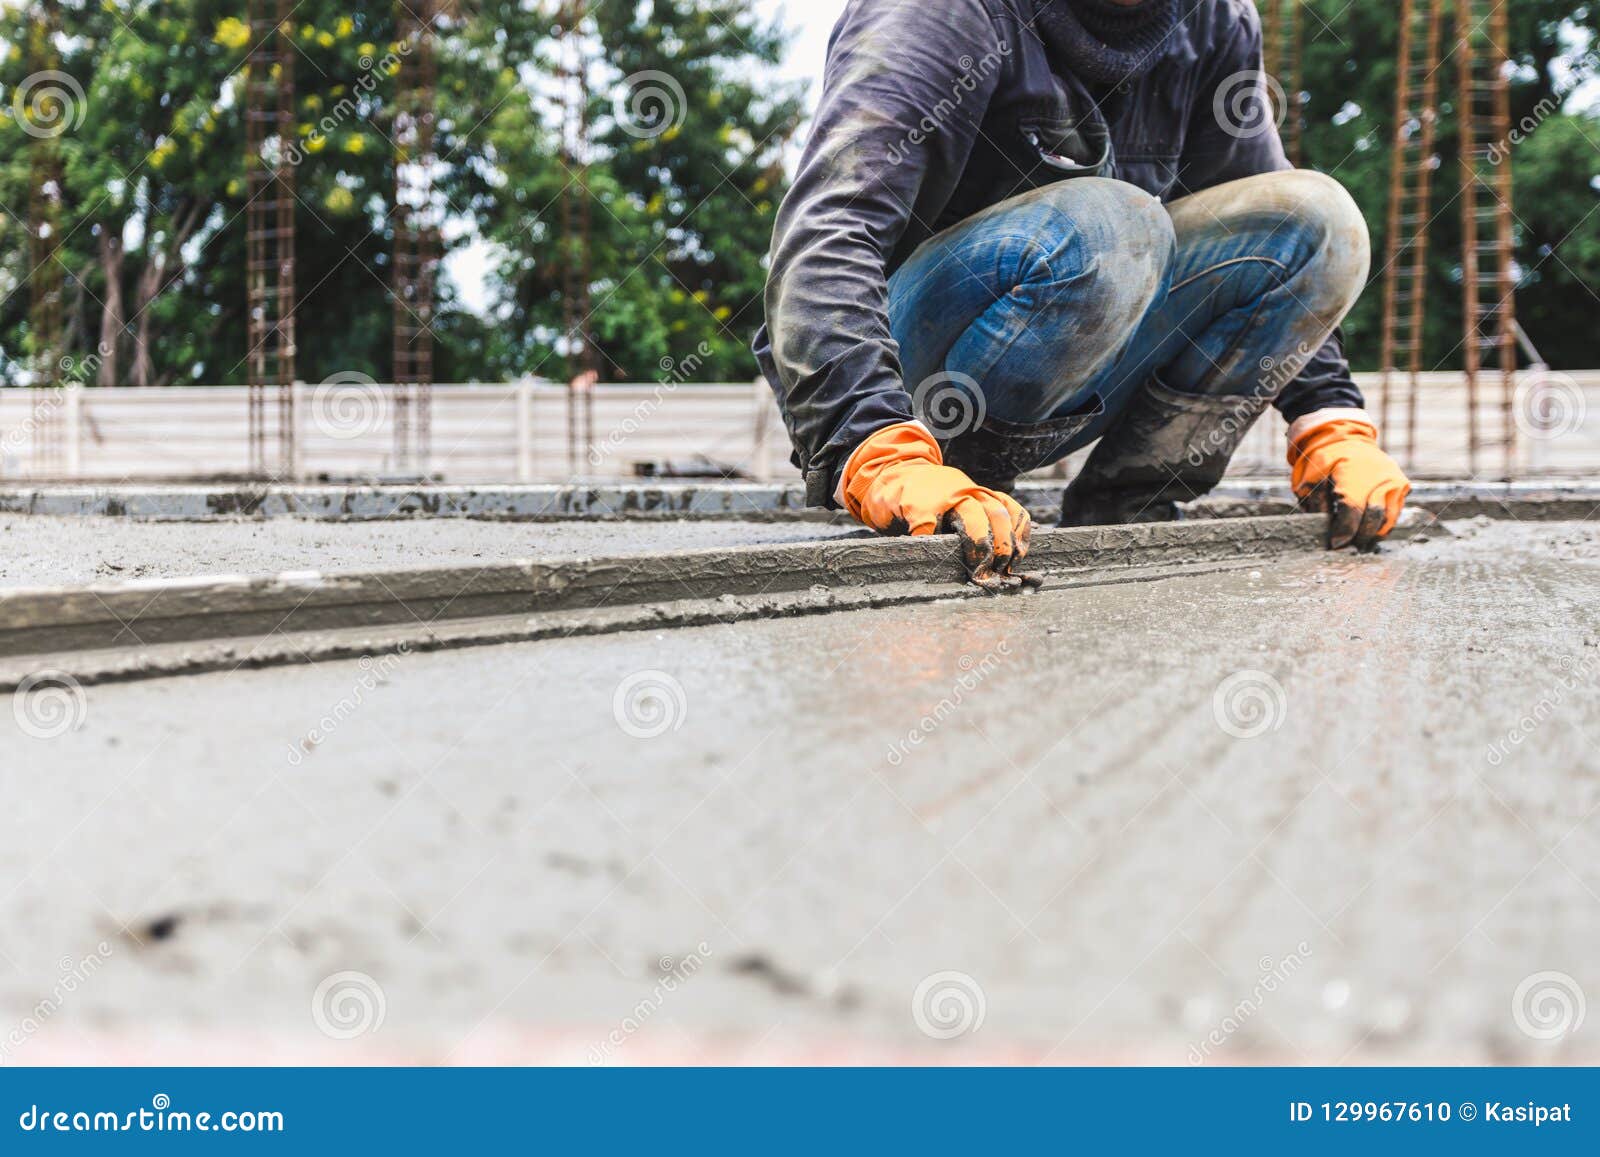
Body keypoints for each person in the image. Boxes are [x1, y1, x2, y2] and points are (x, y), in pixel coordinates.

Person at [752, 0, 1412, 588]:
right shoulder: (941, 12)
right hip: (900, 380)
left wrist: (1329, 418)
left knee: (1318, 223)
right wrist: (870, 437)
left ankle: (1133, 501)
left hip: (1064, 363)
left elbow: (1268, 226)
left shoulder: (1213, 19)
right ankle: (920, 474)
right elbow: (829, 232)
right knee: (1113, 227)